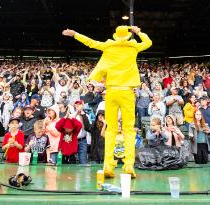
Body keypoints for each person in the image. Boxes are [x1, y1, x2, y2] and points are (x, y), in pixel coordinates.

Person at [63, 25, 152, 178]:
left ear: (116, 35)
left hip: (111, 91)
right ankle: (129, 164)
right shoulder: (133, 47)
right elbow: (148, 42)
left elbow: (90, 42)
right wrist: (138, 32)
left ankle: (108, 165)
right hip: (127, 92)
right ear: (128, 36)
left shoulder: (108, 46)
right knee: (129, 130)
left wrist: (75, 34)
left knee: (110, 129)